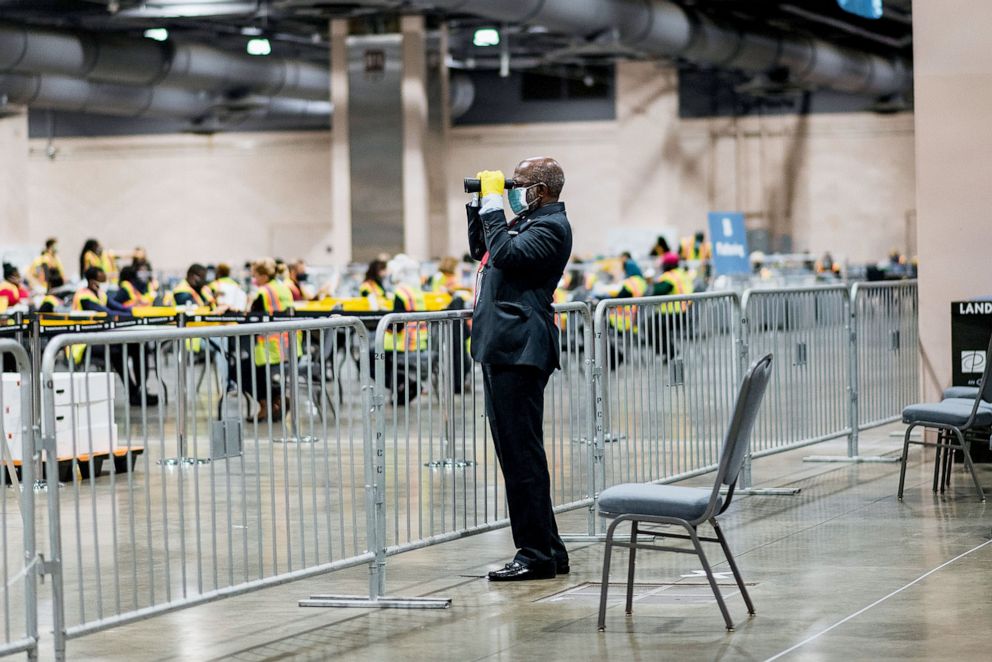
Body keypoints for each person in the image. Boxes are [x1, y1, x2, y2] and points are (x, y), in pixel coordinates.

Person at [468, 157, 572, 581]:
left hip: (520, 350)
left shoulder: (551, 226)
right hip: (504, 347)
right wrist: (479, 205)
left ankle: (534, 554)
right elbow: (484, 250)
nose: (514, 188)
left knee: (521, 457)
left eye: (520, 182)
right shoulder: (528, 220)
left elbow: (507, 257)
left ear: (542, 189)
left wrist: (496, 205)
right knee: (519, 455)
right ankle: (549, 548)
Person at [71, 267, 156, 405]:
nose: (105, 282)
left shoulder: (100, 293)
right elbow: (106, 313)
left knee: (139, 345)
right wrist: (130, 316)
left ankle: (141, 390)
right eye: (102, 279)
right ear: (93, 282)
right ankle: (133, 393)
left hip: (103, 338)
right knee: (116, 351)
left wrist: (136, 313)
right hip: (83, 344)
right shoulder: (83, 296)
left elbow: (118, 307)